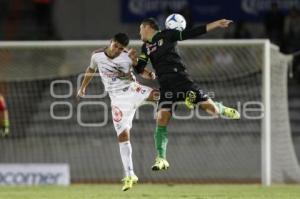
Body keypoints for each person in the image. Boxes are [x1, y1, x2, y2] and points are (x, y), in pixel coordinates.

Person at [133, 18, 240, 171]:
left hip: (181, 80)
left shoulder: (168, 35)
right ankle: (161, 159)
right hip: (166, 87)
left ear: (147, 27)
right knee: (161, 118)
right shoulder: (145, 47)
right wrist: (134, 61)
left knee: (212, 111)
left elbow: (192, 32)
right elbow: (140, 69)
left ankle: (221, 108)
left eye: (140, 28)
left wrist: (215, 24)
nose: (139, 32)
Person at [77, 33, 157, 191]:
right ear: (111, 42)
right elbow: (90, 69)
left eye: (121, 48)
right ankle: (130, 174)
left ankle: (191, 98)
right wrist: (83, 87)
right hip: (118, 100)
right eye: (116, 46)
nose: (118, 50)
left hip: (132, 90)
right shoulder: (97, 56)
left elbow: (142, 72)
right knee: (123, 135)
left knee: (160, 95)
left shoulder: (128, 56)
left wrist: (149, 73)